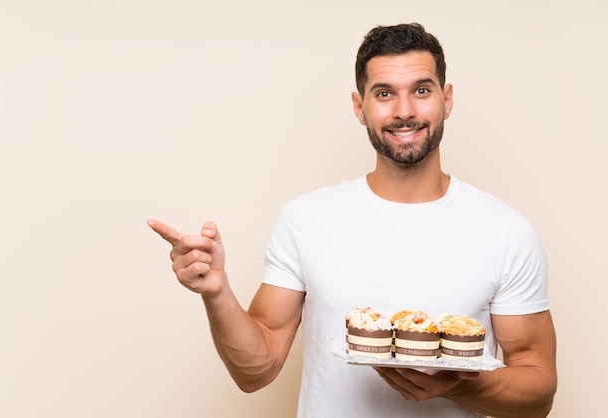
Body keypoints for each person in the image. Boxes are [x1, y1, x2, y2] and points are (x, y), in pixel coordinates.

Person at [148, 23, 557, 417]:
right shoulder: (306, 220)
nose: (404, 111)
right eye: (384, 93)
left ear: (446, 99)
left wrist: (463, 385)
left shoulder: (505, 232)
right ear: (359, 108)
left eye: (421, 90)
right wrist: (216, 293)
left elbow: (538, 393)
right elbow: (255, 370)